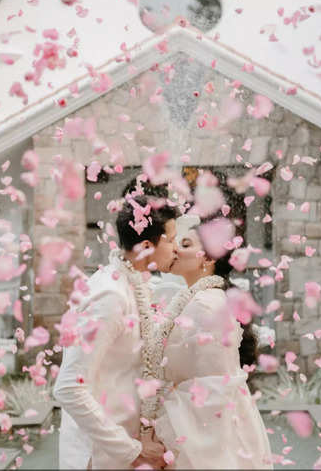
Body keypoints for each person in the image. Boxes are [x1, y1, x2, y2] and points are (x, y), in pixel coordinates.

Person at [53, 196, 177, 469]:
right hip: (100, 457)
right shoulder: (109, 295)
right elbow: (69, 387)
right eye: (170, 240)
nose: (176, 248)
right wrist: (132, 450)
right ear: (146, 247)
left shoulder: (136, 286)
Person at [140, 214, 273, 469]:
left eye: (187, 244)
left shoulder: (206, 305)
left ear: (209, 258)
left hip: (207, 438)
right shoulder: (197, 299)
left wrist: (160, 427)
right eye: (177, 242)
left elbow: (212, 388)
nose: (175, 249)